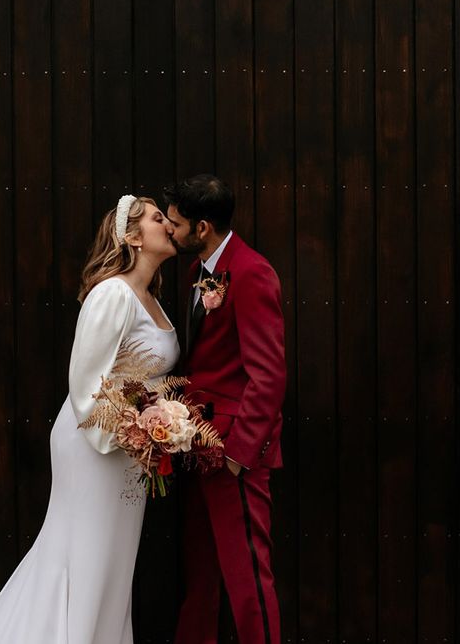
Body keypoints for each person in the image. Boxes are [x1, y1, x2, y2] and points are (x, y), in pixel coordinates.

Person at [0, 195, 179, 644]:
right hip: (95, 443)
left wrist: (166, 420)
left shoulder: (151, 298)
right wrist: (132, 429)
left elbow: (148, 379)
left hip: (132, 451)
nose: (169, 224)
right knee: (88, 557)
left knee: (115, 566)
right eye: (159, 219)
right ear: (134, 237)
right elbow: (87, 383)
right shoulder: (113, 293)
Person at [164, 174, 286, 644]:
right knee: (202, 576)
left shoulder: (251, 273)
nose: (169, 231)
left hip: (233, 452)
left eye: (176, 224)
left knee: (248, 577)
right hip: (197, 445)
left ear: (203, 228)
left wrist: (237, 454)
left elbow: (268, 374)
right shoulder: (200, 270)